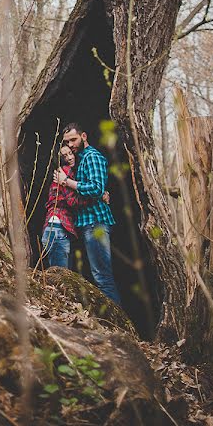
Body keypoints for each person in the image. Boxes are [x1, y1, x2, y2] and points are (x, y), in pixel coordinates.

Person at [54, 122, 122, 305]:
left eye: (74, 140)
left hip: (96, 223)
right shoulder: (80, 159)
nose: (70, 145)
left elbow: (96, 188)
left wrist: (67, 182)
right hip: (86, 224)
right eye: (67, 142)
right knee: (98, 275)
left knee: (103, 278)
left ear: (84, 136)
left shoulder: (92, 157)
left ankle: (118, 327)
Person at [40, 145, 83, 268]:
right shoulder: (65, 171)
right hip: (57, 231)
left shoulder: (58, 173)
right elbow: (72, 201)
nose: (69, 157)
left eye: (70, 153)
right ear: (59, 159)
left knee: (60, 276)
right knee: (60, 280)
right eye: (65, 156)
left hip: (53, 229)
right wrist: (96, 197)